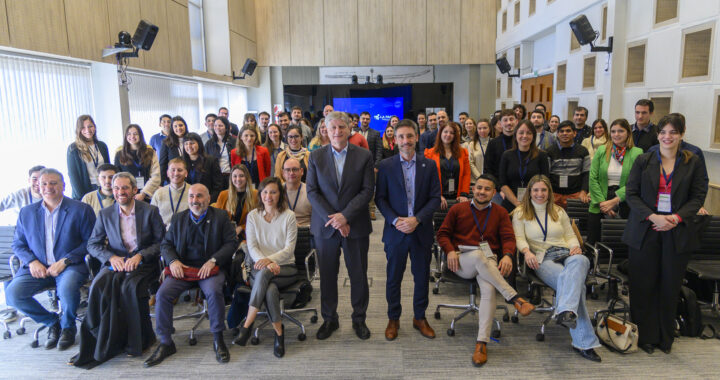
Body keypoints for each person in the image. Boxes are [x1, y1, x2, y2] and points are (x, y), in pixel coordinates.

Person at [623, 114, 707, 355]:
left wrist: (676, 218)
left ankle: (665, 336)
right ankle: (646, 336)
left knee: (669, 285)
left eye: (673, 132)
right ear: (657, 134)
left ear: (681, 134)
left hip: (676, 229)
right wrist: (653, 217)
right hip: (645, 229)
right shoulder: (644, 160)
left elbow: (698, 197)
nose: (667, 137)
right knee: (643, 285)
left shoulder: (693, 162)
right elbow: (632, 194)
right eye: (663, 132)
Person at [437, 175, 535, 367]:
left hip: (488, 261)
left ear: (494, 192)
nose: (482, 192)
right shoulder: (458, 209)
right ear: (473, 189)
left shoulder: (499, 212)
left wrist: (507, 254)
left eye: (487, 189)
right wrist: (449, 251)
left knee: (489, 289)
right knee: (478, 256)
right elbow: (442, 234)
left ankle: (481, 342)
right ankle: (515, 298)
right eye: (479, 188)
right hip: (462, 259)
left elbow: (508, 238)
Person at [71, 173, 164, 367]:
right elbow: (93, 244)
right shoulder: (105, 214)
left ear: (134, 190)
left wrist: (141, 256)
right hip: (117, 262)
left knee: (129, 288)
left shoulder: (150, 211)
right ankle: (101, 340)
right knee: (97, 287)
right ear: (112, 191)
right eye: (116, 188)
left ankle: (138, 341)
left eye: (125, 188)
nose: (120, 192)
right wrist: (111, 258)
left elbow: (161, 242)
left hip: (144, 264)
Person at [145, 184, 238, 367]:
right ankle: (165, 342)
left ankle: (218, 338)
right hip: (183, 269)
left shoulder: (220, 217)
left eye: (200, 196)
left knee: (213, 291)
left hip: (209, 269)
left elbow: (231, 243)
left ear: (208, 198)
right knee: (163, 294)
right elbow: (166, 245)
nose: (195, 201)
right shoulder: (179, 218)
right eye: (192, 197)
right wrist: (173, 261)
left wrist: (214, 260)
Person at [512, 174, 601, 362]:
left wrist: (575, 246)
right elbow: (519, 238)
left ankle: (565, 310)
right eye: (535, 190)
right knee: (576, 285)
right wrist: (527, 252)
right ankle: (584, 342)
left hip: (566, 253)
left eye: (543, 190)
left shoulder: (558, 211)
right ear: (529, 192)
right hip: (542, 258)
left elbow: (569, 235)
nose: (539, 193)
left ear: (549, 192)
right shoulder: (520, 213)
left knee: (582, 260)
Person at [6, 168, 95, 350]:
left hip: (70, 266)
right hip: (37, 266)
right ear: (37, 186)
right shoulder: (27, 213)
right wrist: (32, 261)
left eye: (53, 183)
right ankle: (52, 322)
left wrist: (66, 260)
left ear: (63, 185)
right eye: (43, 183)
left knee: (67, 288)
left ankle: (68, 328)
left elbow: (91, 242)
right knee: (13, 294)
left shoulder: (81, 210)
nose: (48, 187)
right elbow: (18, 244)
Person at [306, 111, 375, 341]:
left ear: (349, 129)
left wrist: (345, 217)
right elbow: (312, 192)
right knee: (327, 275)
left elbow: (367, 191)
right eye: (332, 127)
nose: (337, 132)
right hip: (326, 227)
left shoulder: (364, 156)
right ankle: (329, 319)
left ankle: (359, 319)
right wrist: (335, 219)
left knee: (358, 275)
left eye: (341, 127)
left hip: (355, 225)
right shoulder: (315, 157)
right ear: (325, 129)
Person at [375, 119, 441, 341]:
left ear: (416, 137)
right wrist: (395, 221)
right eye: (401, 136)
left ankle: (419, 317)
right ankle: (393, 318)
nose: (406, 141)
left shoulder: (429, 165)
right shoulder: (385, 166)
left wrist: (417, 220)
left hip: (421, 231)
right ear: (395, 139)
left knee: (421, 277)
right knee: (394, 278)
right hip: (395, 232)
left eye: (409, 136)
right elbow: (380, 199)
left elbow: (434, 199)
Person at [232, 177, 297, 358]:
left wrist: (268, 261)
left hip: (285, 268)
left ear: (280, 195)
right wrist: (266, 262)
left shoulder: (289, 216)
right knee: (270, 290)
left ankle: (247, 326)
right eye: (265, 192)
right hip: (260, 269)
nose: (269, 196)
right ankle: (279, 335)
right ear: (260, 194)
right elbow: (252, 247)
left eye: (273, 192)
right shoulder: (253, 216)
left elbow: (289, 249)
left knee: (265, 274)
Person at [587, 119, 643, 245]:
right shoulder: (602, 150)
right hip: (599, 199)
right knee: (593, 240)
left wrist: (614, 201)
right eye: (613, 131)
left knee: (622, 242)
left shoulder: (637, 153)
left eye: (620, 131)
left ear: (628, 133)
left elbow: (635, 181)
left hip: (624, 200)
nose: (616, 134)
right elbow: (593, 178)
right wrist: (603, 204)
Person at [498, 120, 550, 212]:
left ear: (533, 136)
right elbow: (503, 183)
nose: (525, 136)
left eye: (529, 133)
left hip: (535, 204)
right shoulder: (507, 155)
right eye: (521, 133)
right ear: (515, 135)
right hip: (510, 203)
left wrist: (529, 203)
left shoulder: (542, 155)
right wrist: (517, 203)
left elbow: (545, 182)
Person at [424, 122, 471, 209]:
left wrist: (464, 194)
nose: (448, 135)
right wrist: (436, 195)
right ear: (440, 133)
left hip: (458, 198)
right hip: (438, 198)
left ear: (455, 136)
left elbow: (466, 174)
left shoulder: (463, 152)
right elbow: (427, 177)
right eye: (445, 132)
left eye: (452, 133)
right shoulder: (429, 153)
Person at [546, 121, 591, 208]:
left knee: (574, 220)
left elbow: (587, 173)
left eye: (568, 131)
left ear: (574, 133)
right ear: (557, 134)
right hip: (554, 194)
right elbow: (546, 174)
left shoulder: (583, 151)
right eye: (561, 131)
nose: (564, 134)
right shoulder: (549, 151)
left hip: (575, 194)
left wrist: (584, 191)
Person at [113, 124, 161, 202]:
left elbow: (156, 176)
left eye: (135, 134)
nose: (132, 136)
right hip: (126, 196)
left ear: (140, 136)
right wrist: (128, 193)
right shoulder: (119, 154)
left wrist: (143, 193)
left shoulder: (150, 152)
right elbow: (116, 178)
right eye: (129, 134)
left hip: (146, 195)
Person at [67, 115, 111, 199]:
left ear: (94, 127)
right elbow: (73, 176)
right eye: (83, 127)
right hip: (85, 191)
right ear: (79, 130)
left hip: (103, 189)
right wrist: (83, 197)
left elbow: (108, 169)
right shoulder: (73, 149)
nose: (88, 130)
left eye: (90, 126)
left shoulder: (102, 146)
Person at [212, 164, 257, 242]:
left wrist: (241, 228)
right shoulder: (223, 195)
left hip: (247, 236)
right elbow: (217, 218)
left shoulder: (256, 195)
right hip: (226, 235)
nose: (238, 179)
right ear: (231, 178)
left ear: (247, 178)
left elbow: (258, 220)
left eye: (241, 176)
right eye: (235, 176)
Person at [183, 133, 223, 202]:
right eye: (186, 144)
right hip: (185, 201)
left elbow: (218, 186)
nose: (189, 146)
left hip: (206, 201)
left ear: (199, 144)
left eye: (192, 143)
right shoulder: (180, 162)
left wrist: (208, 200)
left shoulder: (211, 161)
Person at [151, 158, 189, 228]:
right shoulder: (159, 194)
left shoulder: (193, 193)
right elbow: (152, 219)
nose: (176, 173)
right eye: (173, 170)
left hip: (186, 234)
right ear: (167, 173)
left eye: (180, 170)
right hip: (163, 234)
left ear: (186, 173)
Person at [484, 109, 517, 179]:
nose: (509, 123)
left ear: (516, 121)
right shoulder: (493, 143)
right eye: (505, 120)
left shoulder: (521, 142)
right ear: (500, 123)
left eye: (511, 119)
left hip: (518, 184)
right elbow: (488, 169)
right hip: (498, 185)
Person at [205, 116, 236, 186]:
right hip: (215, 177)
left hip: (231, 176)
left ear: (226, 127)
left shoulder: (235, 141)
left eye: (220, 125)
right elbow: (206, 161)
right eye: (215, 125)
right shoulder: (209, 143)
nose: (217, 128)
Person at [159, 116, 189, 184]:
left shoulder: (191, 140)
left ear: (185, 126)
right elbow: (162, 164)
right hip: (174, 179)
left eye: (181, 125)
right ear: (172, 128)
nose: (178, 128)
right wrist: (162, 182)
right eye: (175, 126)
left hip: (190, 178)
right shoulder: (166, 142)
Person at [282, 158, 311, 227]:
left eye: (295, 169)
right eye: (288, 170)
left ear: (301, 171)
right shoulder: (277, 191)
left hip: (306, 231)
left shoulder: (310, 191)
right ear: (283, 173)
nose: (291, 173)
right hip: (283, 230)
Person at [465, 118, 491, 182]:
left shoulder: (494, 143)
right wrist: (479, 177)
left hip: (491, 180)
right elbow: (470, 163)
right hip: (476, 180)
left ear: (489, 129)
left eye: (485, 128)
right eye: (479, 128)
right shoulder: (472, 144)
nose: (482, 130)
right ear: (477, 129)